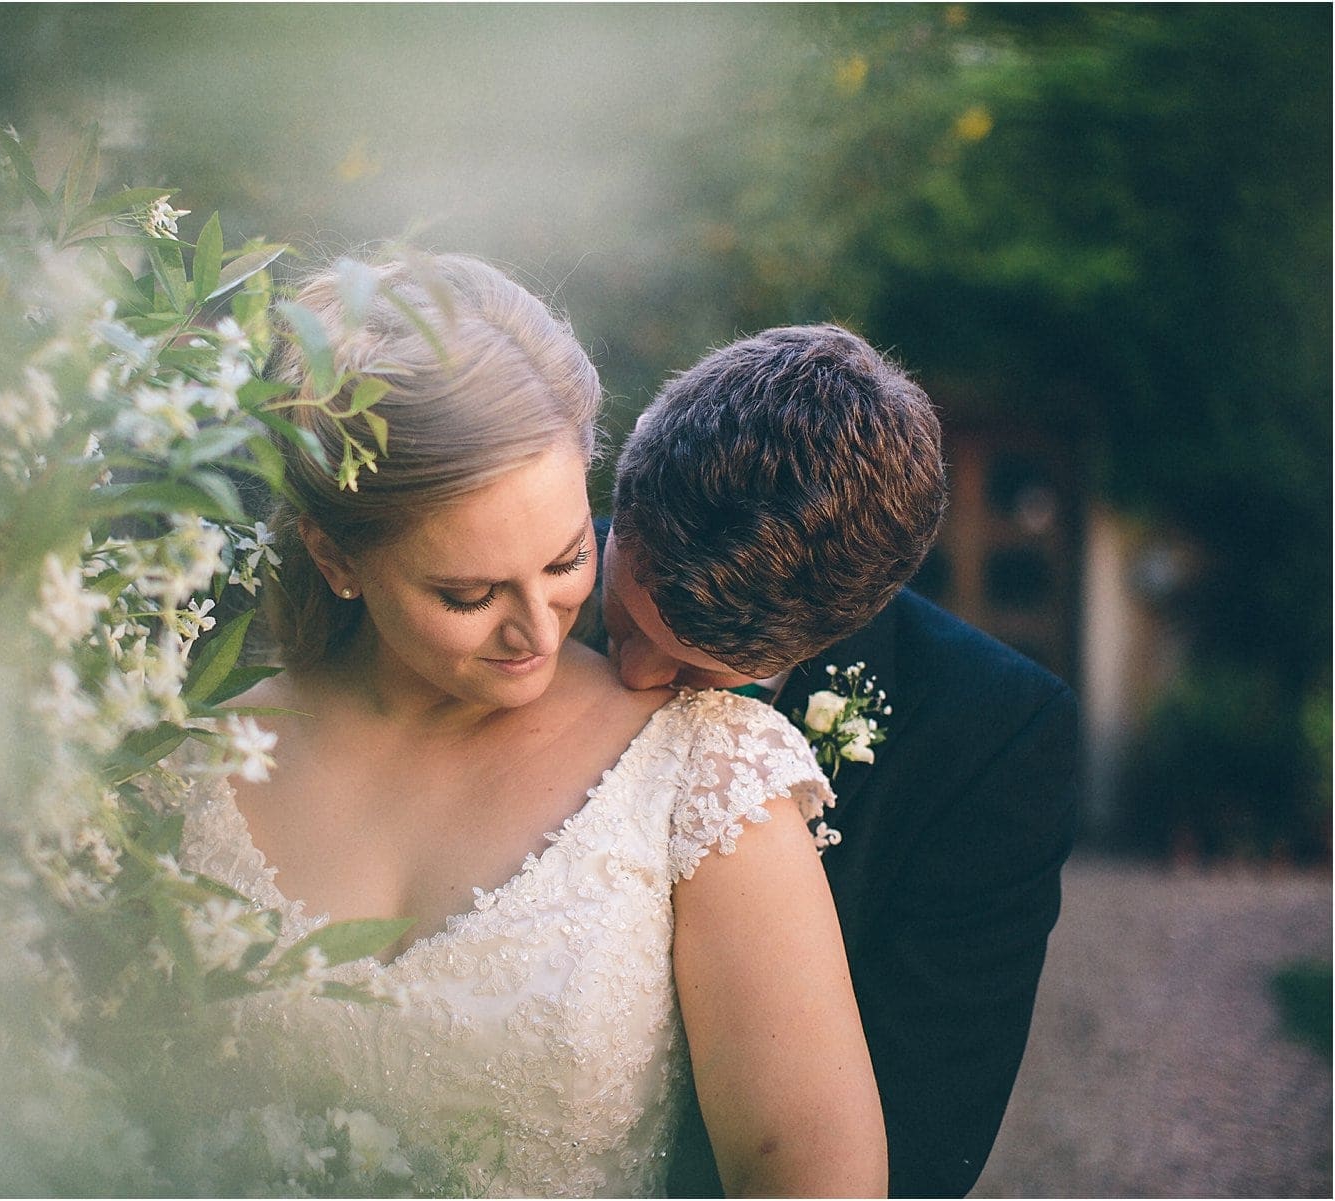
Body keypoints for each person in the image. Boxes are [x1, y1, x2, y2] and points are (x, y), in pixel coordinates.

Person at [173, 256, 887, 1196]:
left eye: (565, 559)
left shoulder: (705, 773)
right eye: (467, 593)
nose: (537, 629)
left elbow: (812, 1175)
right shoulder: (178, 765)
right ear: (336, 553)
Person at [595, 325, 1080, 1198]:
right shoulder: (515, 592)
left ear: (837, 626)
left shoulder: (990, 737)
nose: (629, 674)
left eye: (691, 665)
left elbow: (920, 1143)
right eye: (625, 618)